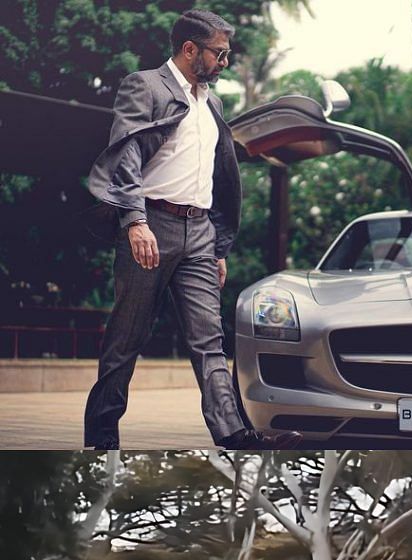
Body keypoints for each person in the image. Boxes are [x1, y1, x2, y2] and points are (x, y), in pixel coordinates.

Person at [82, 9, 301, 451]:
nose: (225, 62)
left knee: (210, 340)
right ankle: (102, 438)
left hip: (199, 232)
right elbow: (124, 154)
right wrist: (134, 220)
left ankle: (233, 433)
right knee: (126, 339)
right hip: (152, 226)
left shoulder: (212, 102)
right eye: (219, 53)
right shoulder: (145, 86)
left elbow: (217, 176)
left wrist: (218, 244)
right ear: (189, 49)